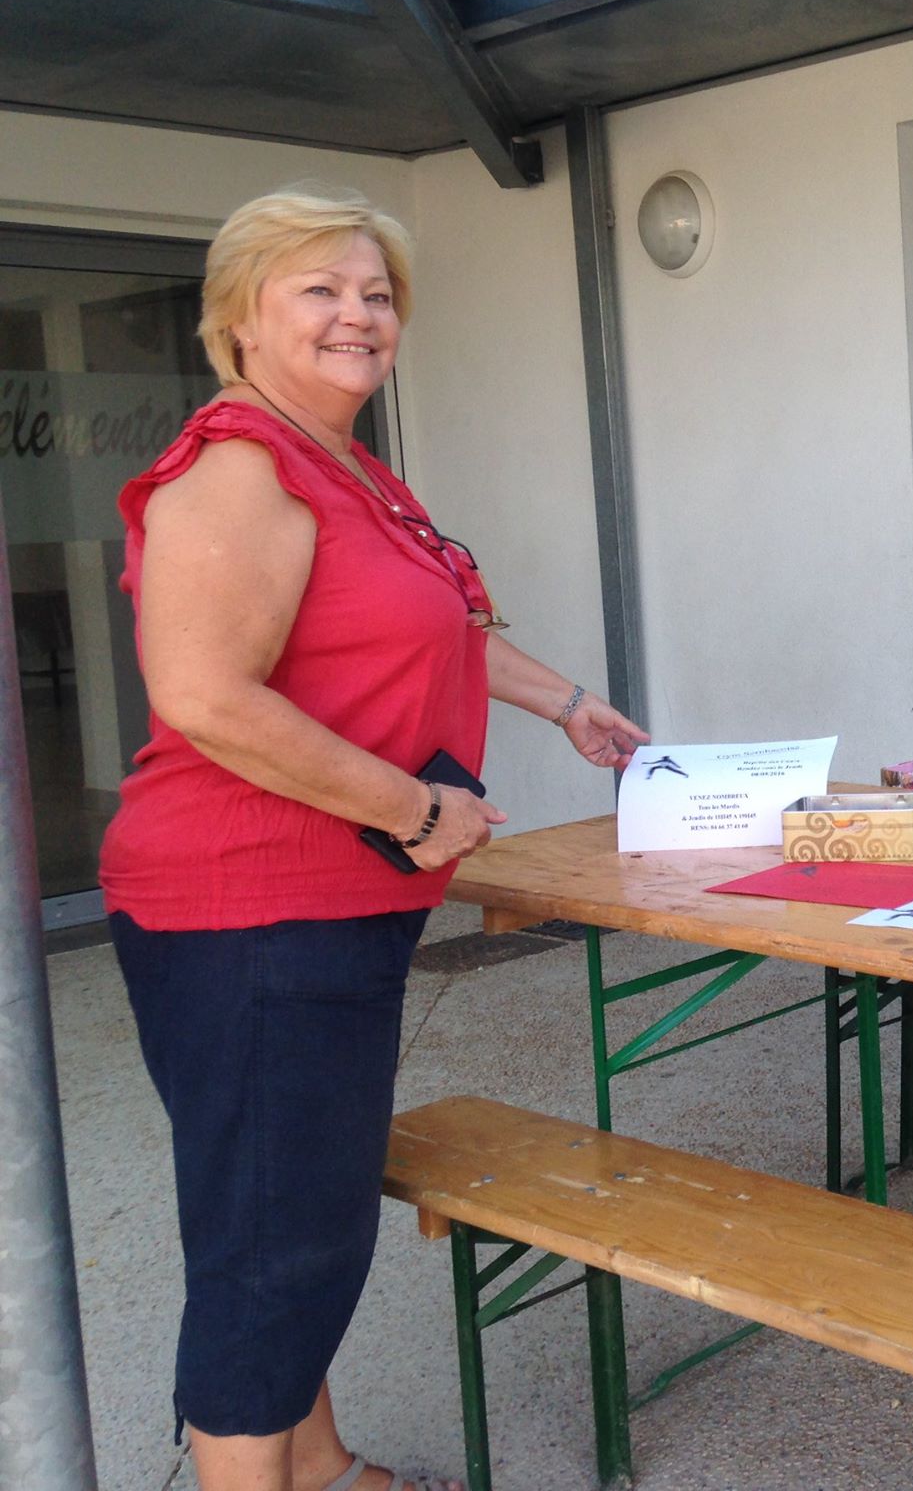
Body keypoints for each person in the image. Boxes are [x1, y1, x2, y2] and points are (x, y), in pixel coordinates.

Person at [98, 186, 649, 1491]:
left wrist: (566, 701)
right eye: (320, 290)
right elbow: (204, 695)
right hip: (249, 908)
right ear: (239, 319)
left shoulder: (344, 465)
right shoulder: (237, 470)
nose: (360, 315)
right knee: (273, 1252)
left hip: (325, 903)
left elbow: (430, 625)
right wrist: (413, 810)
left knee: (291, 1212)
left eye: (377, 293)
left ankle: (323, 1466)